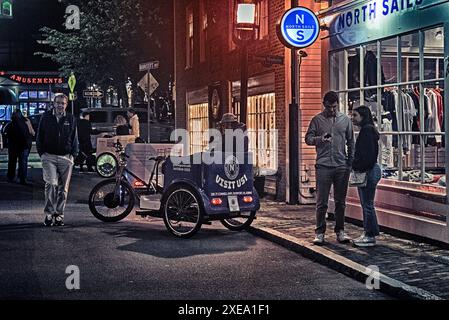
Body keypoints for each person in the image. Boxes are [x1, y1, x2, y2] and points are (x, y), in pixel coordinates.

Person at [305, 91, 354, 245]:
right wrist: (320, 139)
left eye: (334, 107)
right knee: (322, 202)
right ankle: (319, 232)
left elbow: (351, 142)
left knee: (340, 202)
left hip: (341, 166)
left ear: (337, 104)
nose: (331, 110)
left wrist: (350, 163)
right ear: (323, 104)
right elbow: (308, 139)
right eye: (328, 107)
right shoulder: (317, 120)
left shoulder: (345, 120)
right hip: (323, 165)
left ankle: (340, 231)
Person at [36, 93, 78, 227]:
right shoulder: (46, 117)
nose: (60, 105)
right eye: (58, 102)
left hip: (66, 157)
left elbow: (74, 137)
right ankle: (49, 213)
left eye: (63, 103)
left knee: (63, 189)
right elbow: (39, 136)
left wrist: (73, 155)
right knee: (51, 184)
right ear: (53, 103)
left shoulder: (70, 118)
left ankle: (59, 214)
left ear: (66, 105)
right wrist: (41, 153)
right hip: (49, 156)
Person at [351, 106, 381, 247]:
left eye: (355, 115)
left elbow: (368, 156)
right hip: (370, 170)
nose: (352, 118)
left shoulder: (367, 131)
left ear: (363, 116)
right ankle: (369, 232)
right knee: (367, 204)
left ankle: (370, 235)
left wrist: (355, 165)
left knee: (367, 205)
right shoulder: (368, 130)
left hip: (368, 171)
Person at [6, 109, 33, 185]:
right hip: (23, 146)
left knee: (12, 162)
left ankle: (11, 177)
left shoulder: (10, 124)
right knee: (23, 163)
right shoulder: (25, 123)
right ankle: (22, 178)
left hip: (13, 147)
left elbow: (7, 135)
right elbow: (29, 134)